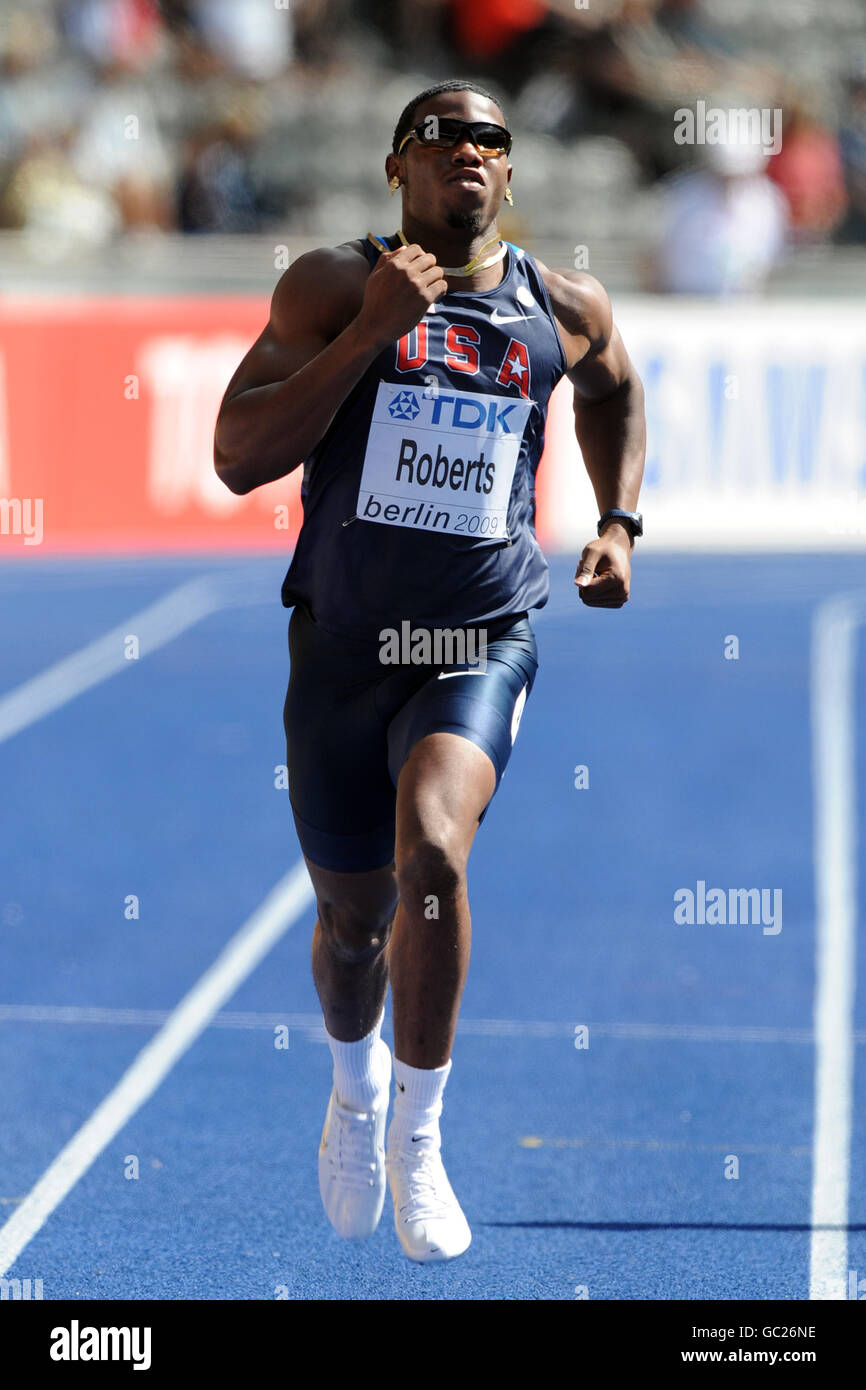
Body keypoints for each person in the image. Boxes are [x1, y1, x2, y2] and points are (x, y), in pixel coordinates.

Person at [214, 78, 645, 1263]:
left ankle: (418, 1133)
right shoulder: (329, 285)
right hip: (344, 646)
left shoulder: (560, 305)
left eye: (490, 139)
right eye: (443, 134)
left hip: (476, 636)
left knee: (437, 851)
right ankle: (351, 1093)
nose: (469, 151)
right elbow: (237, 455)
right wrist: (366, 335)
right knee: (352, 924)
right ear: (397, 166)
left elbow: (612, 383)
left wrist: (617, 522)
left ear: (509, 174)